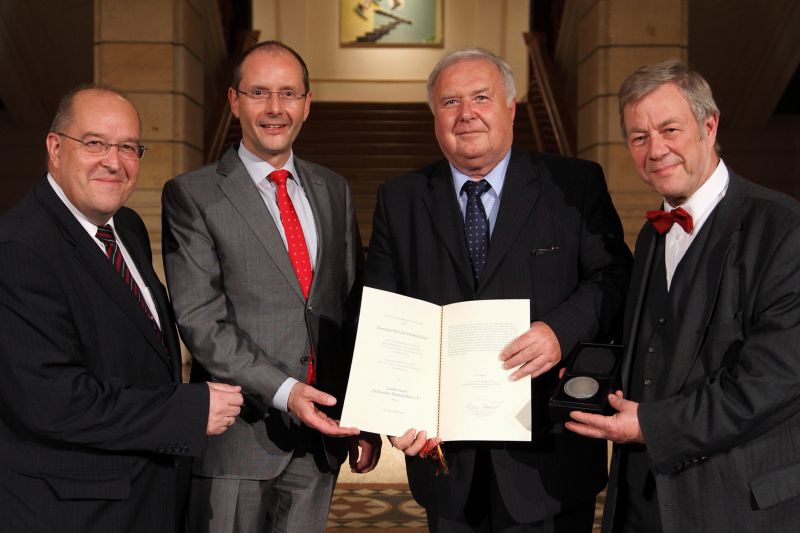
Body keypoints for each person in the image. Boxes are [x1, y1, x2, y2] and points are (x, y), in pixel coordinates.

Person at [364, 47, 632, 532]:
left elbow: (615, 279)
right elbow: (382, 314)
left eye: (481, 97)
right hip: (443, 460)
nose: (466, 114)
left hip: (549, 459)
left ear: (510, 107)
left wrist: (559, 331)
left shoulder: (573, 184)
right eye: (450, 102)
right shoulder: (398, 199)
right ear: (434, 116)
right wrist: (393, 411)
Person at [565, 59, 800, 533]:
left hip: (737, 505)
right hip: (642, 502)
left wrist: (652, 426)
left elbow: (771, 381)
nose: (656, 149)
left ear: (708, 126)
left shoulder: (783, 227)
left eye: (669, 129)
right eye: (639, 137)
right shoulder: (650, 236)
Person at [0, 85, 244, 533]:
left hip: (145, 493)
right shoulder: (19, 249)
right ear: (55, 148)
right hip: (76, 510)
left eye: (129, 147)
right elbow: (54, 402)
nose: (114, 161)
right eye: (94, 143)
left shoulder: (126, 226)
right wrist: (187, 411)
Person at [161, 40, 381, 533]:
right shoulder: (192, 194)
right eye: (259, 92)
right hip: (239, 437)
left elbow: (350, 311)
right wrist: (285, 391)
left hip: (319, 441)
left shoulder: (334, 189)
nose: (275, 108)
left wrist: (362, 415)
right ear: (233, 101)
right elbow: (201, 321)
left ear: (308, 103)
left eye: (288, 93)